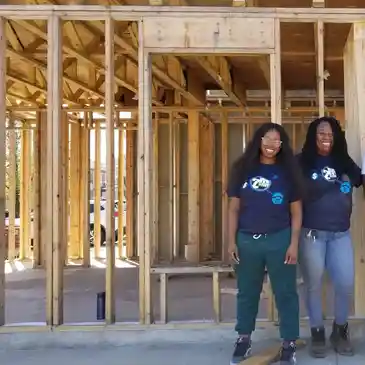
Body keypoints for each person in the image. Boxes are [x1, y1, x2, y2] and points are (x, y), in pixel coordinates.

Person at [227, 122, 303, 365]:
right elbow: (233, 209)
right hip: (247, 241)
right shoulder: (242, 169)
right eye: (267, 139)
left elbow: (297, 212)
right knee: (247, 293)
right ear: (259, 140)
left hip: (279, 239)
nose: (272, 144)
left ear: (282, 145)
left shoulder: (288, 172)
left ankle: (289, 343)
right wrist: (231, 241)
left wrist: (293, 244)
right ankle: (243, 339)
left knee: (286, 293)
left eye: (277, 140)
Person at [297, 116, 362, 358]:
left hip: (340, 235)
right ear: (313, 136)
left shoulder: (344, 162)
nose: (326, 138)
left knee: (345, 283)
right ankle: (317, 333)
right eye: (321, 133)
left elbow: (360, 179)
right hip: (311, 234)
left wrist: (349, 178)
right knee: (313, 285)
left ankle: (340, 330)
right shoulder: (301, 162)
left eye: (331, 134)